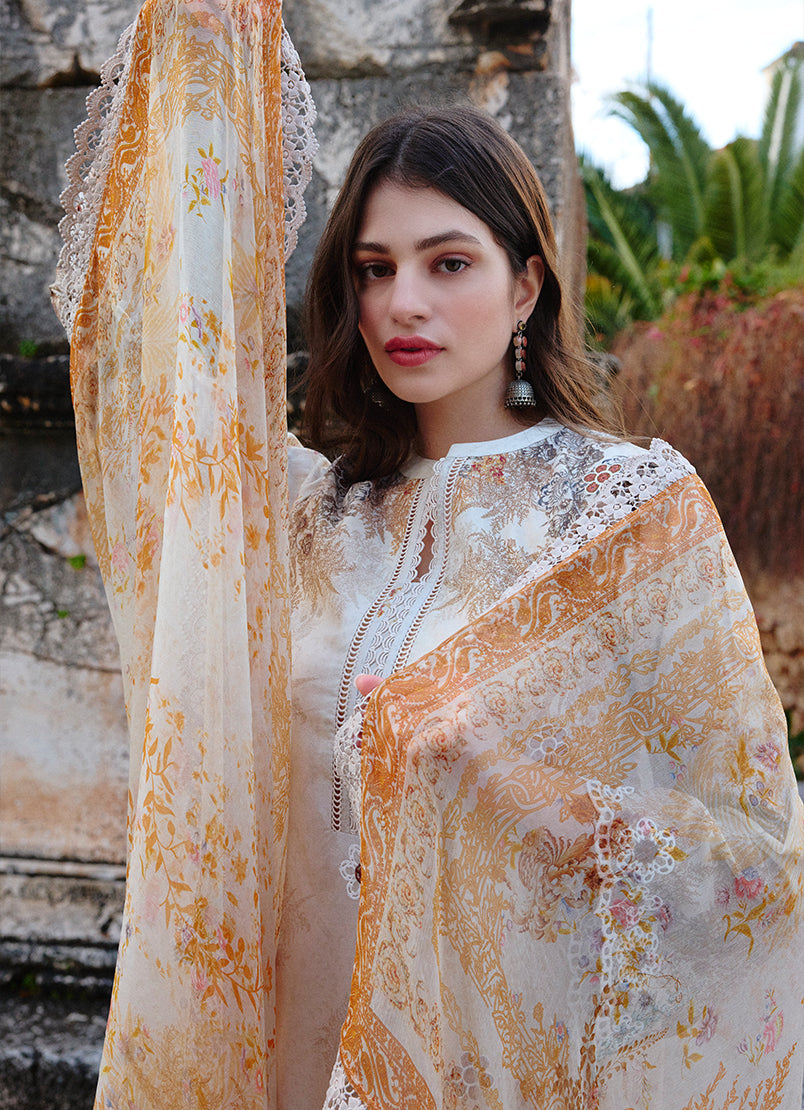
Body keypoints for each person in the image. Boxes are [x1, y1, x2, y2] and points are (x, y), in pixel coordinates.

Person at [53, 3, 803, 1107]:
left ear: (527, 285)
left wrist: (512, 787)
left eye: (449, 262)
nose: (403, 303)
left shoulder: (628, 517)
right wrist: (208, 58)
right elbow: (159, 359)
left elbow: (756, 861)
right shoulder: (311, 518)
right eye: (373, 268)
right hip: (280, 1058)